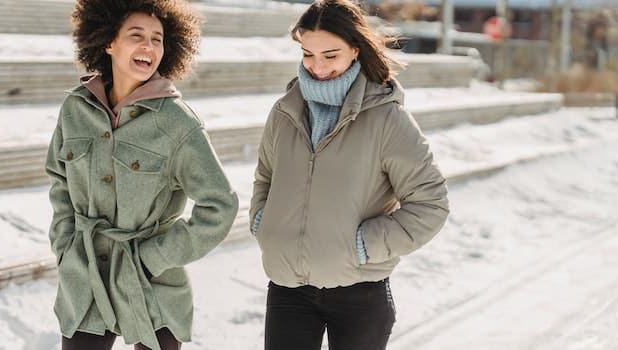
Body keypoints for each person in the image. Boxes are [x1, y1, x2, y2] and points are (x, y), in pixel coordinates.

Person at [249, 1, 450, 349]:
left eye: (330, 55)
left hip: (360, 295)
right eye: (308, 54)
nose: (318, 67)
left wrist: (361, 246)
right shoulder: (284, 112)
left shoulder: (387, 119)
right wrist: (264, 224)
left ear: (355, 50)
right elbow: (266, 176)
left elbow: (431, 205)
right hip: (288, 291)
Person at [45, 1, 239, 349]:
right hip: (85, 276)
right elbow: (59, 179)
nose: (148, 47)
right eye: (137, 36)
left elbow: (220, 205)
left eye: (157, 39)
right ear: (108, 42)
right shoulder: (75, 108)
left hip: (153, 284)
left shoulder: (178, 123)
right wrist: (65, 244)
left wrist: (156, 258)